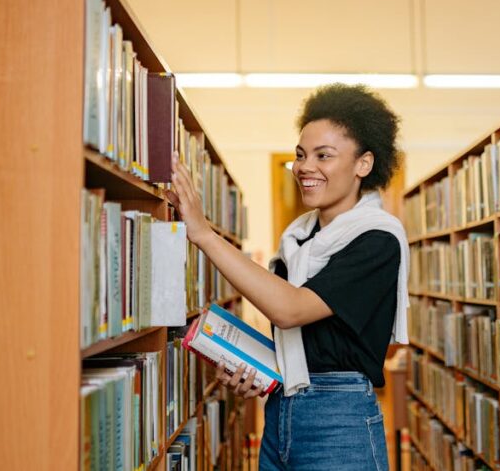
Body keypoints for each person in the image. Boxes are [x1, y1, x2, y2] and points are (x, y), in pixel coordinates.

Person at [166, 83, 408, 471]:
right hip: (280, 412)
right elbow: (298, 341)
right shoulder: (297, 239)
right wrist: (255, 369)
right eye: (300, 155)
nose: (304, 167)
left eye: (323, 155)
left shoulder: (378, 240)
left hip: (339, 421)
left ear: (363, 164)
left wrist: (204, 234)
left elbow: (290, 310)